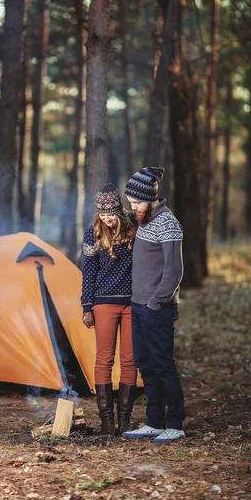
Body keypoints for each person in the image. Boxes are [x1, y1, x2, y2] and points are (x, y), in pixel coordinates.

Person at [122, 167, 186, 444]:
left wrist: (155, 302)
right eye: (130, 203)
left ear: (150, 199)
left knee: (163, 366)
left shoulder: (168, 223)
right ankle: (154, 422)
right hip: (138, 306)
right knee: (145, 364)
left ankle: (175, 424)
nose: (132, 208)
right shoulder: (144, 219)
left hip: (156, 308)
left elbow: (174, 271)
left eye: (136, 203)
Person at [81, 183, 137, 436]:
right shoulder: (92, 234)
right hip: (103, 302)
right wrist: (87, 306)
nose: (107, 219)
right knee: (104, 358)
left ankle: (124, 421)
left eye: (111, 215)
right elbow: (89, 272)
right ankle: (106, 423)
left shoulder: (134, 228)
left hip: (133, 303)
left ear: (119, 210)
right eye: (103, 215)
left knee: (130, 359)